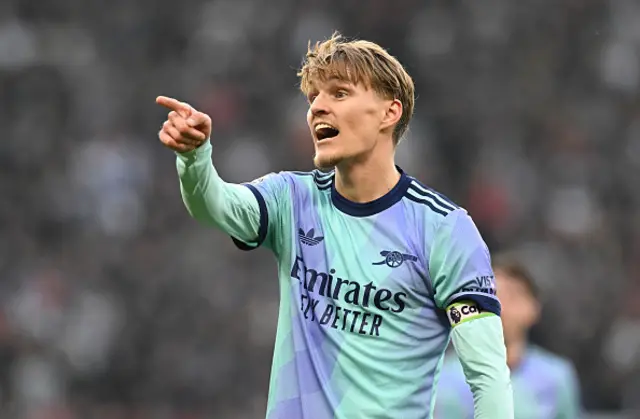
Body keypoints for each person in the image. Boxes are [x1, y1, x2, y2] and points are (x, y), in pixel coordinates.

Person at [156, 32, 513, 419]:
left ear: (389, 113)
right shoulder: (291, 199)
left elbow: (488, 377)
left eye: (339, 94)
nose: (317, 109)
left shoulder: (445, 230)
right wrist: (194, 158)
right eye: (314, 98)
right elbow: (214, 205)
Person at [436, 255, 581, 419]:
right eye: (489, 296)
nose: (500, 307)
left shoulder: (556, 377)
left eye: (512, 297)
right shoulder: (443, 379)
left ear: (533, 308)